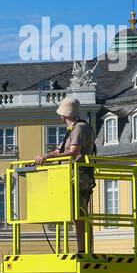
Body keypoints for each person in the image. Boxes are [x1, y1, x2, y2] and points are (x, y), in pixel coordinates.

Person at [33, 96, 96, 252]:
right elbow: (60, 151)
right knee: (76, 214)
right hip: (72, 175)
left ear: (64, 114)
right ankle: (82, 248)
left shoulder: (80, 128)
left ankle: (84, 249)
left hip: (79, 175)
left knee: (79, 214)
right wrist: (44, 157)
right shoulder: (73, 129)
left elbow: (73, 152)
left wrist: (48, 157)